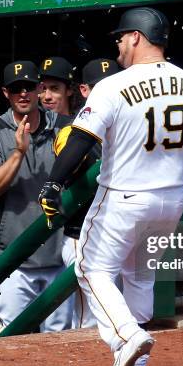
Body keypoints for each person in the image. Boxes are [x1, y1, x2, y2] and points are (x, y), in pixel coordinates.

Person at [38, 7, 183, 366]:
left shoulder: (113, 85)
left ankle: (128, 336)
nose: (117, 44)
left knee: (90, 267)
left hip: (124, 197)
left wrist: (54, 184)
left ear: (136, 37)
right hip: (171, 201)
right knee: (141, 278)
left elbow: (82, 138)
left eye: (120, 37)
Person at [0, 60, 72, 332]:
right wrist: (18, 152)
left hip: (58, 253)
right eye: (16, 89)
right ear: (6, 93)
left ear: (39, 89)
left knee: (60, 338)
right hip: (12, 256)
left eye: (29, 87)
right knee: (12, 336)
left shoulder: (64, 127)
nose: (23, 94)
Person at [55, 58, 120, 330]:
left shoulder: (126, 125)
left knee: (123, 309)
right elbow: (69, 160)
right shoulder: (72, 130)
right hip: (81, 233)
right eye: (97, 87)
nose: (106, 91)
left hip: (119, 231)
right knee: (89, 319)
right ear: (83, 90)